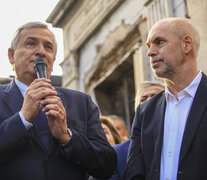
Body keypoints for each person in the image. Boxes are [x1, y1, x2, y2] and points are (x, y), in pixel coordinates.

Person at [0, 22, 117, 180]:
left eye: (48, 47)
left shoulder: (81, 102)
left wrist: (67, 137)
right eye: (31, 43)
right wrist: (22, 118)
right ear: (11, 55)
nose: (40, 51)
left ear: (53, 61)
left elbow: (106, 165)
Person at [124, 17, 207, 180]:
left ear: (186, 44)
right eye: (148, 46)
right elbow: (134, 171)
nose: (150, 52)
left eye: (159, 42)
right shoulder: (145, 111)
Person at [111, 81, 164, 180]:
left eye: (155, 97)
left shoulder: (181, 138)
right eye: (143, 99)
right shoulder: (119, 153)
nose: (149, 102)